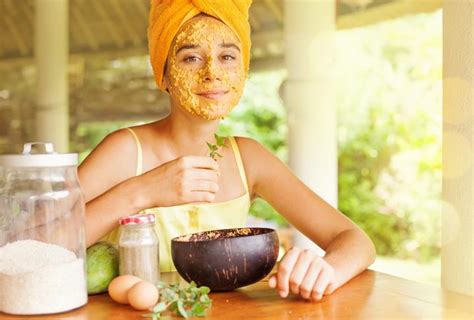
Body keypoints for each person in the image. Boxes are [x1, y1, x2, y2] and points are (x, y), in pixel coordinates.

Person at [79, 0, 375, 302]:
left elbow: (356, 241)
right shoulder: (125, 150)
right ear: (164, 73)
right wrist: (141, 192)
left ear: (243, 72)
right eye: (191, 57)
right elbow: (40, 242)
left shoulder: (249, 159)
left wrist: (327, 271)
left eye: (228, 56)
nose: (212, 72)